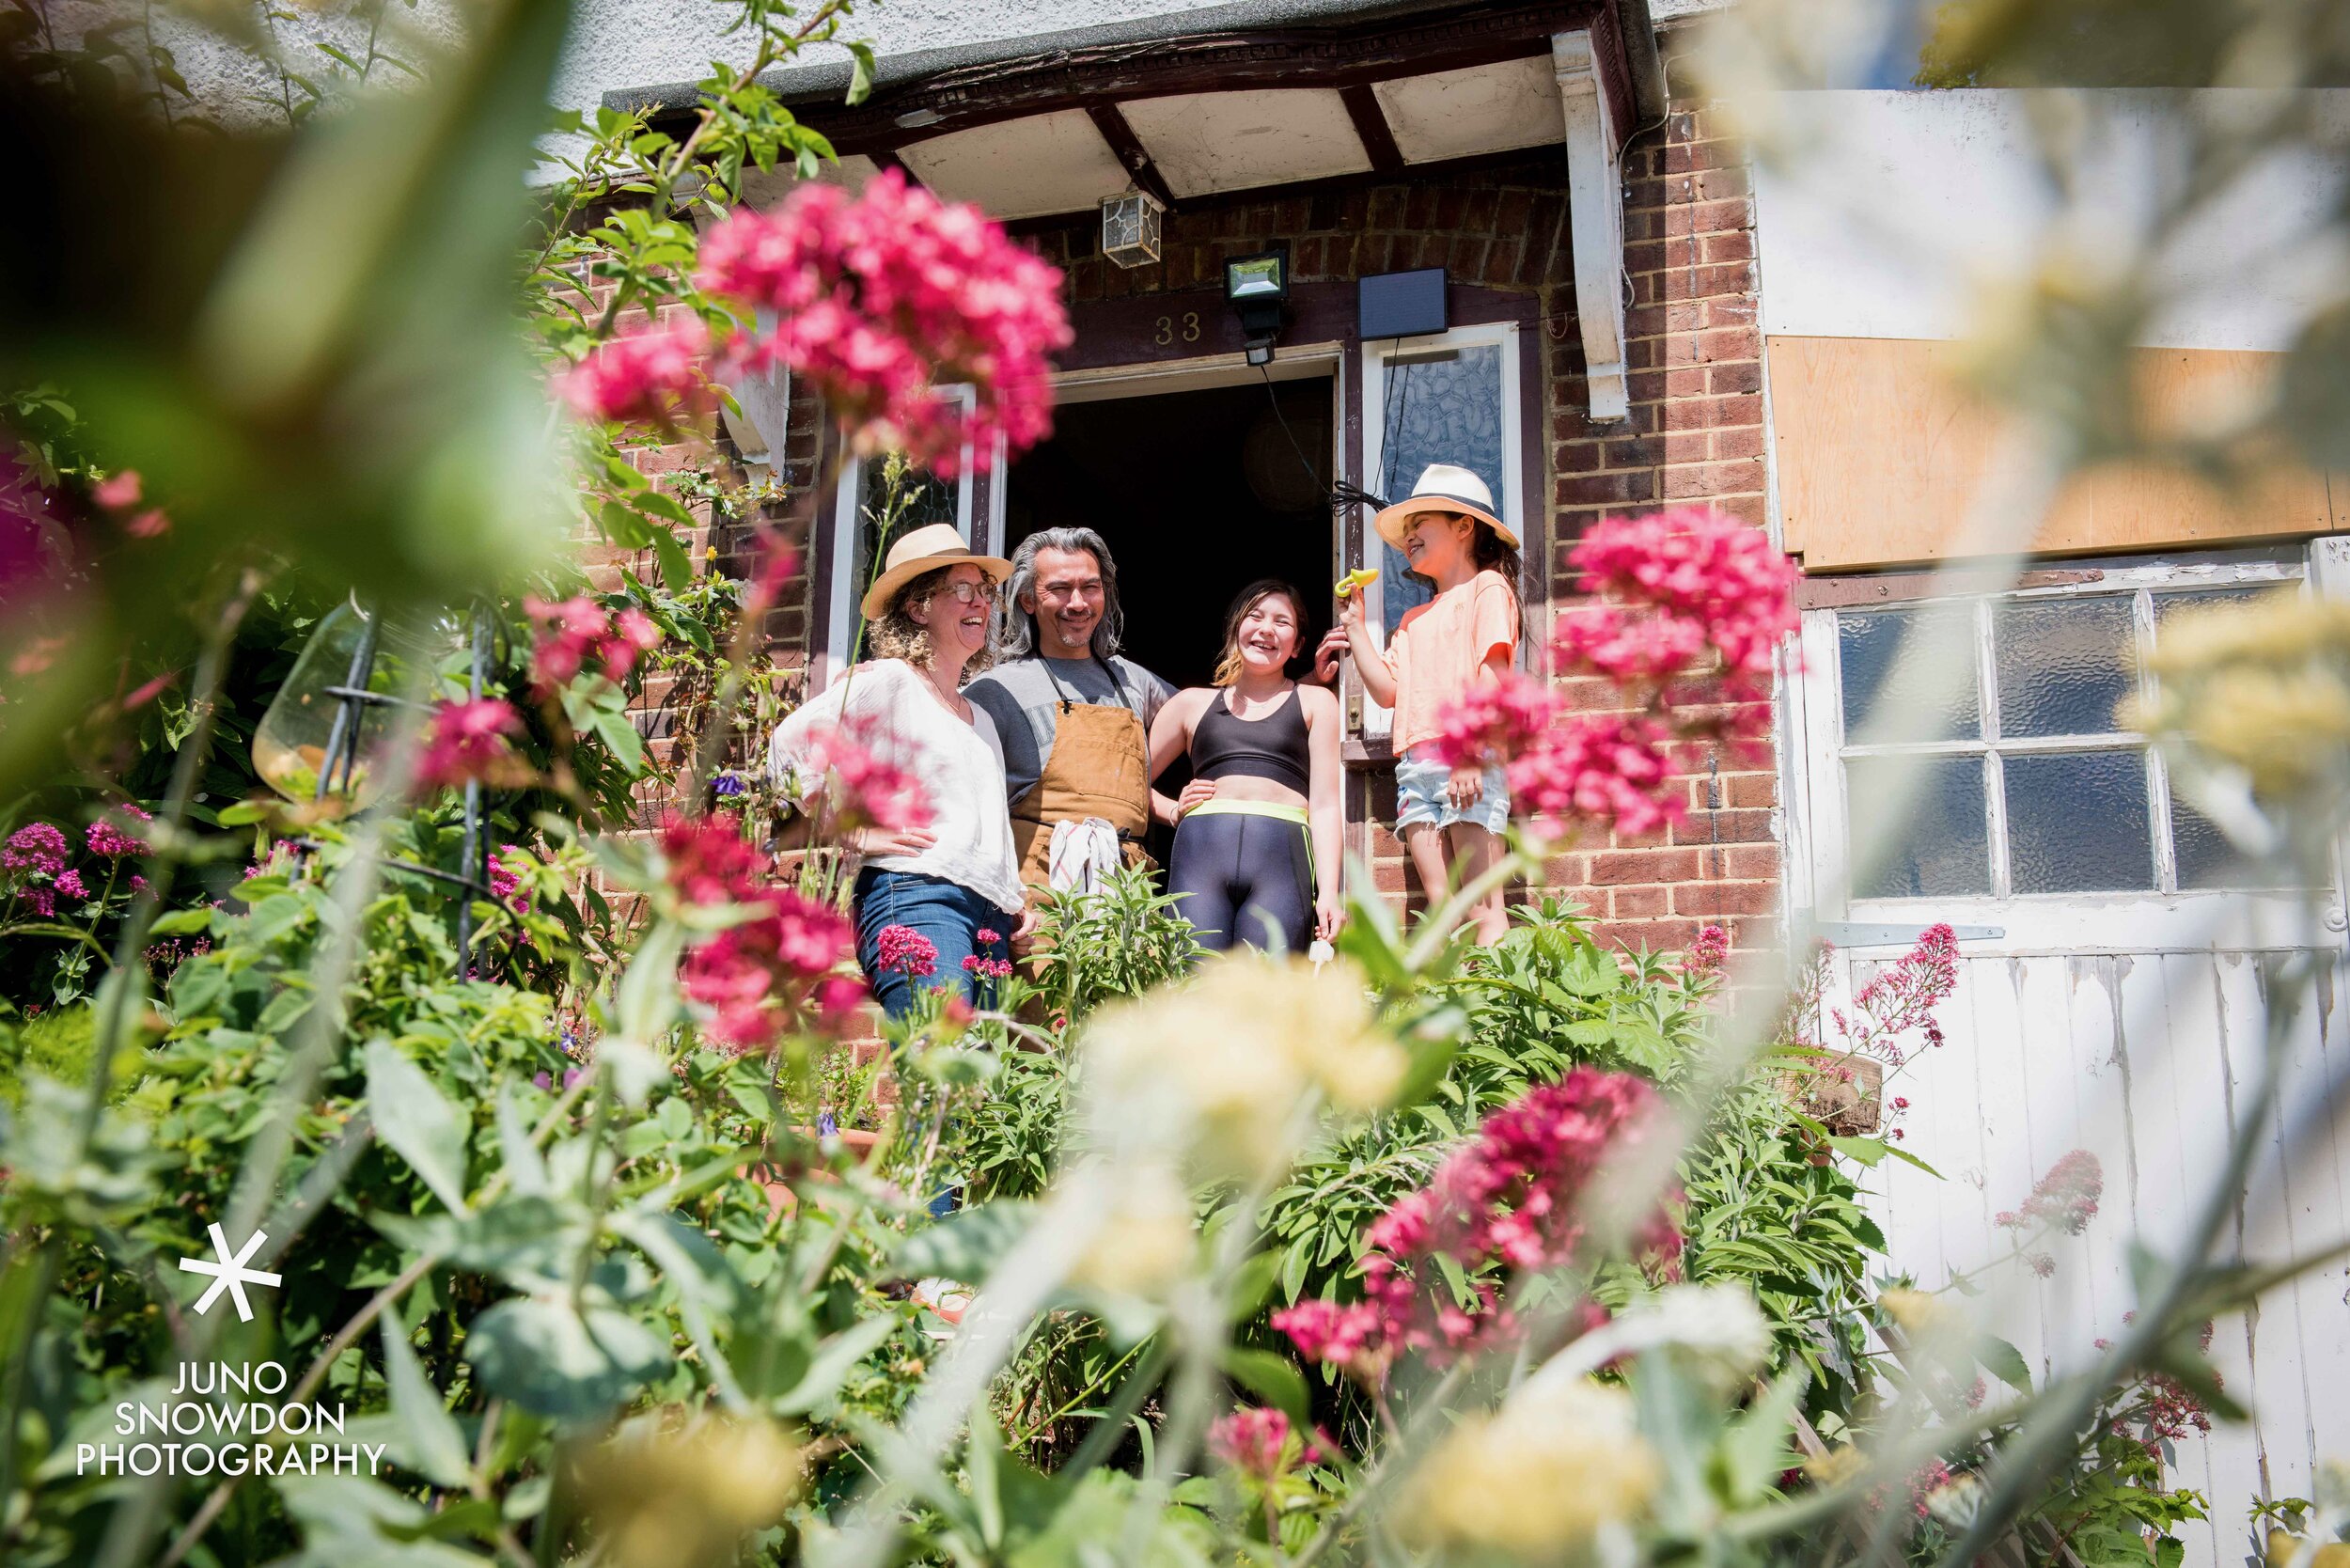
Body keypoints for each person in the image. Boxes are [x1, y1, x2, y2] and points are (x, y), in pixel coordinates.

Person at [768, 522, 1030, 1019]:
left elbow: (983, 822)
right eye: (961, 590)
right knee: (941, 1070)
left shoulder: (984, 720)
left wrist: (1015, 898)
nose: (980, 603)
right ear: (917, 607)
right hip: (919, 895)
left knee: (984, 1085)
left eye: (984, 591)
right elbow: (789, 744)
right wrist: (851, 831)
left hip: (988, 913)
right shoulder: (889, 681)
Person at [1319, 463, 1522, 946]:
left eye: (1418, 524)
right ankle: (1459, 1014)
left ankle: (1499, 1019)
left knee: (1481, 906)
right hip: (1415, 769)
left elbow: (1492, 677)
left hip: (1465, 758)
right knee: (1443, 908)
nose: (1408, 536)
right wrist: (1354, 626)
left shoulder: (1488, 588)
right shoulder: (1412, 618)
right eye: (1405, 530)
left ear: (1464, 526)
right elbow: (1387, 690)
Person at [965, 527, 1180, 900]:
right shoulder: (995, 689)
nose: (1078, 603)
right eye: (1061, 589)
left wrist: (1308, 687)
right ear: (1029, 600)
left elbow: (1220, 717)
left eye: (1090, 587)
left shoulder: (1133, 680)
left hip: (1125, 895)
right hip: (1037, 892)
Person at [1149, 580, 1343, 955]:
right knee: (1195, 986)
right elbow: (1125, 787)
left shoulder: (1317, 702)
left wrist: (1330, 892)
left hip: (1281, 859)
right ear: (1237, 627)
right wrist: (1172, 809)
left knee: (1269, 991)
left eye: (1282, 622)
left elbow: (1325, 805)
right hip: (1201, 857)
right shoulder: (1190, 704)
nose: (1267, 629)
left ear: (1298, 644)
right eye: (1255, 617)